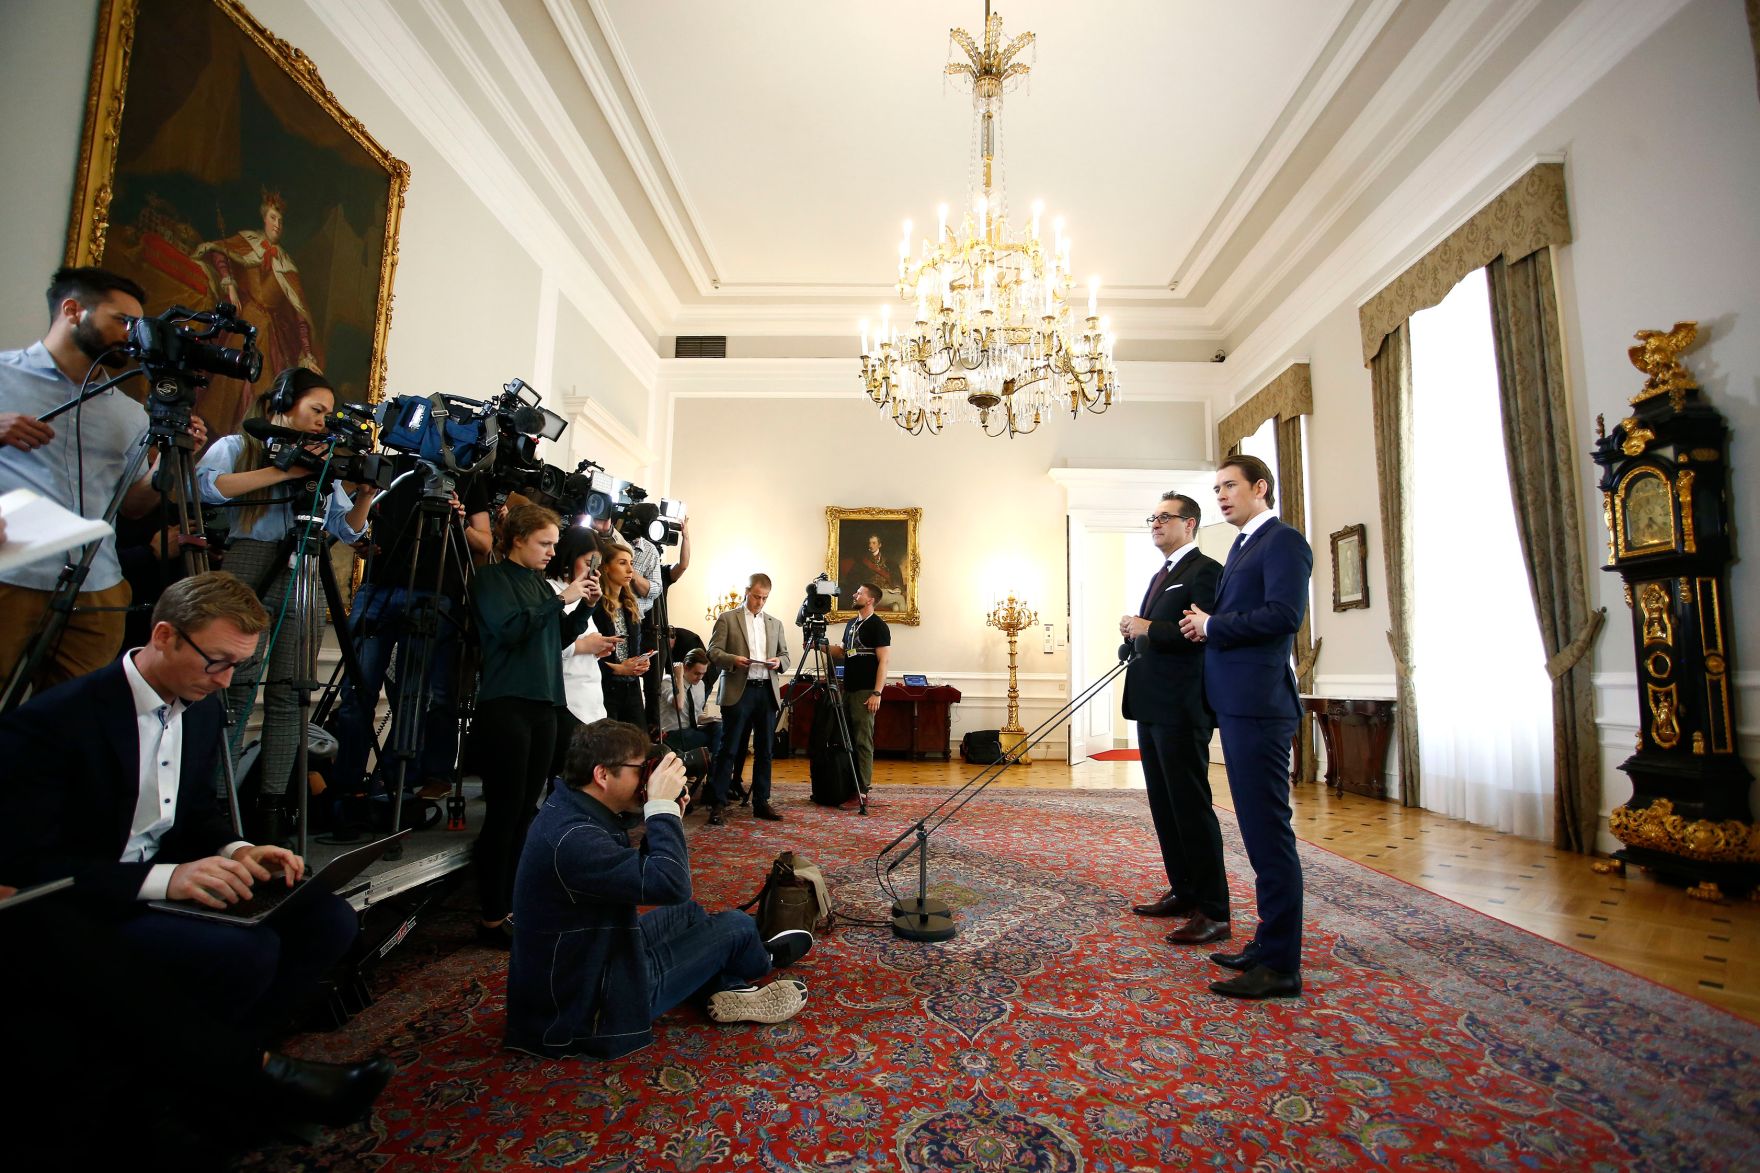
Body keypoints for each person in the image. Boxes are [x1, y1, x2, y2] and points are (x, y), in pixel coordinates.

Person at [0, 571, 360, 1041]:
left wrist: (238, 850)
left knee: (330, 920)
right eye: (218, 662)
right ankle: (214, 1072)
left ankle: (233, 1057)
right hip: (87, 901)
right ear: (164, 636)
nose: (227, 680)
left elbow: (193, 812)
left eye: (238, 665)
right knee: (246, 951)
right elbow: (23, 866)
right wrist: (169, 879)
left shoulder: (202, 707)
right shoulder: (58, 720)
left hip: (159, 882)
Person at [504, 719, 811, 1060]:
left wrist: (665, 819)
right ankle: (751, 967)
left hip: (592, 959)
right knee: (735, 926)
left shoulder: (571, 809)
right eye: (641, 769)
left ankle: (722, 981)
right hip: (588, 1008)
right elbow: (670, 883)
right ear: (602, 775)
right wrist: (661, 810)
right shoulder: (573, 840)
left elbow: (636, 879)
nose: (647, 779)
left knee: (689, 913)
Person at [0, 266, 207, 695]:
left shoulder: (129, 413)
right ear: (73, 310)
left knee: (71, 730)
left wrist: (167, 461)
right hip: (9, 577)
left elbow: (132, 506)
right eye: (123, 321)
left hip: (98, 591)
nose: (133, 335)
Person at [196, 368, 376, 841]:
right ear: (282, 402)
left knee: (291, 694)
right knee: (234, 686)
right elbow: (205, 487)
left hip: (305, 569)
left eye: (327, 415)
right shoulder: (239, 446)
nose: (322, 422)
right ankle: (217, 802)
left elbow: (347, 530)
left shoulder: (322, 463)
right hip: (248, 567)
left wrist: (364, 495)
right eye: (316, 411)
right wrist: (284, 470)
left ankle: (273, 806)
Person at [1179, 455, 1313, 999]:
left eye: (1230, 486)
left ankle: (1282, 965)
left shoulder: (1283, 541)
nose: (1221, 496)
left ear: (1261, 487)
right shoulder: (1240, 546)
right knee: (1257, 835)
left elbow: (1285, 615)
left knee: (1268, 834)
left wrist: (1214, 625)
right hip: (1236, 703)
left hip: (1260, 705)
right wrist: (1206, 629)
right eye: (1216, 489)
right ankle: (1266, 942)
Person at [330, 458, 494, 809]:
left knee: (414, 696)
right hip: (379, 586)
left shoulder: (468, 477)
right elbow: (347, 525)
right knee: (357, 692)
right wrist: (361, 540)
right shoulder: (394, 467)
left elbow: (485, 544)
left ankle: (393, 785)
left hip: (435, 592)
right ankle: (346, 787)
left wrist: (459, 520)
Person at [468, 504, 595, 947]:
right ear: (517, 539)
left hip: (544, 704)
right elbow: (509, 630)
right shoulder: (491, 579)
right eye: (544, 543)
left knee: (528, 810)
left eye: (555, 544)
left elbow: (553, 637)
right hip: (506, 704)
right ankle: (490, 913)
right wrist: (561, 600)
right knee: (504, 813)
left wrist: (580, 610)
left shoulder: (538, 584)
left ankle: (515, 903)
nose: (551, 552)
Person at [1118, 493, 1228, 945]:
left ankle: (1215, 910)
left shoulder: (1205, 571)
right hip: (1151, 704)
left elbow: (1196, 633)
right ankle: (1183, 891)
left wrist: (1148, 628)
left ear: (1191, 523)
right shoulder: (1162, 574)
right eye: (1153, 517)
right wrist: (1133, 639)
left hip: (1182, 708)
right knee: (1164, 806)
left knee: (1190, 806)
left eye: (1165, 517)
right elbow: (1159, 634)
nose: (1156, 523)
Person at [193, 191, 323, 436]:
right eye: (274, 218)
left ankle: (246, 437)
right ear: (264, 218)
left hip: (268, 332)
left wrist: (307, 353)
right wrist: (228, 282)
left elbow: (299, 315)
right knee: (226, 385)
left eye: (281, 221)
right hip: (243, 324)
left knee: (261, 389)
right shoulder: (247, 241)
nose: (277, 224)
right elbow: (219, 251)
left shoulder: (287, 265)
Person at [706, 573, 792, 824]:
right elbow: (713, 652)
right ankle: (718, 803)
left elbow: (785, 656)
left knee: (765, 750)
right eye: (756, 596)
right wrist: (733, 660)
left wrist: (778, 662)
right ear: (747, 591)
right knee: (729, 748)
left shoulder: (775, 623)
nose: (760, 602)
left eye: (764, 598)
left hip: (766, 690)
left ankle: (761, 802)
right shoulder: (727, 619)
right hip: (738, 689)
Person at [546, 524, 618, 778]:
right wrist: (583, 646)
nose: (593, 571)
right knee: (567, 775)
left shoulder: (586, 595)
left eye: (596, 564)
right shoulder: (551, 591)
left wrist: (597, 647)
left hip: (589, 694)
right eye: (588, 562)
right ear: (569, 556)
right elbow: (547, 645)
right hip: (565, 697)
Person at [823, 581, 892, 798]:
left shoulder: (878, 626)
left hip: (865, 692)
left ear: (870, 600)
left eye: (859, 593)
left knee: (863, 740)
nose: (854, 595)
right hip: (848, 690)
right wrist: (819, 645)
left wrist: (877, 693)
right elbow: (842, 651)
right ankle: (848, 782)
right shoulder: (851, 624)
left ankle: (863, 787)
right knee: (847, 738)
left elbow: (884, 662)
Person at [592, 534, 654, 725]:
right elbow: (585, 657)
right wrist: (619, 669)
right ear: (606, 567)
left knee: (638, 746)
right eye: (622, 563)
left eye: (631, 563)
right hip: (604, 689)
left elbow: (632, 649)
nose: (630, 570)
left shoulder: (630, 606)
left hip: (632, 689)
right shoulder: (594, 605)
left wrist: (641, 662)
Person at [658, 647, 721, 765]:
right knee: (717, 741)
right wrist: (679, 678)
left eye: (703, 674)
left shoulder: (700, 684)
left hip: (690, 731)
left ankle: (715, 778)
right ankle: (713, 772)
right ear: (685, 668)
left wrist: (711, 719)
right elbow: (679, 705)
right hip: (671, 735)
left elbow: (696, 716)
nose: (700, 677)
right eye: (697, 673)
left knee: (719, 727)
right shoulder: (668, 681)